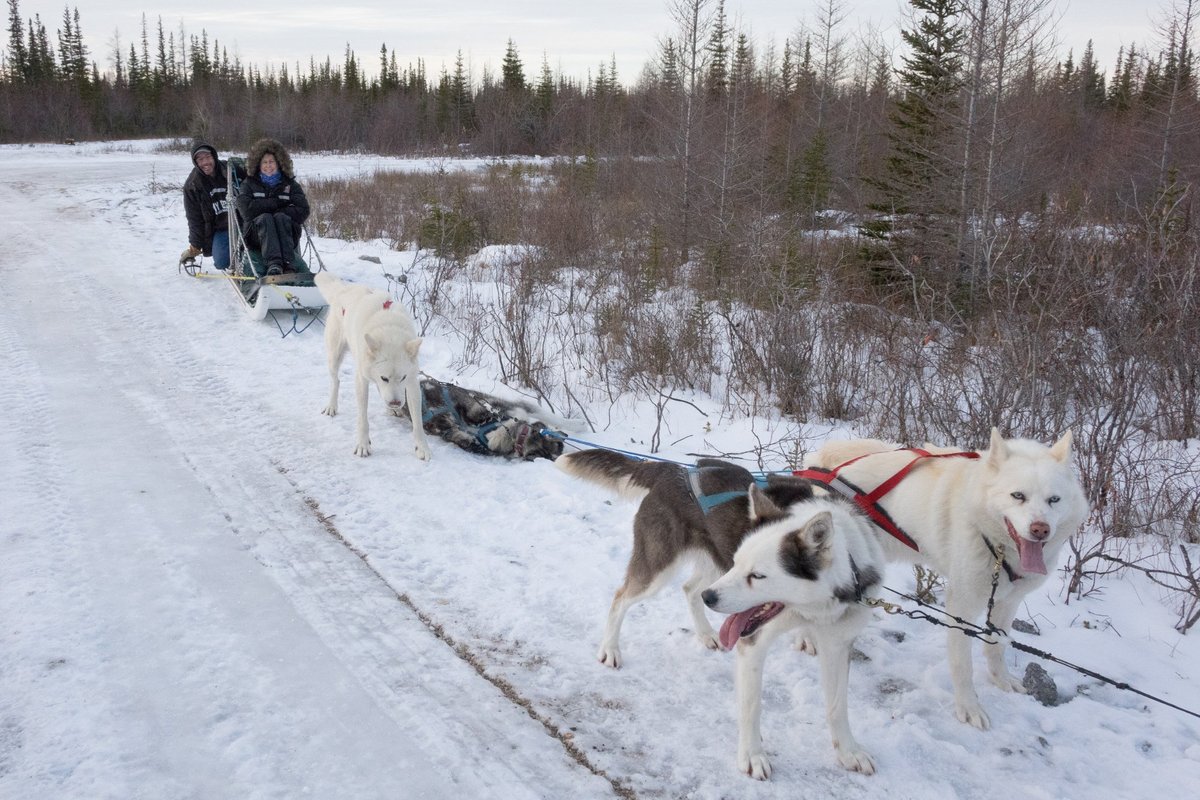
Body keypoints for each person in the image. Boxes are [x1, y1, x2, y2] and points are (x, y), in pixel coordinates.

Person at [235, 137, 310, 276]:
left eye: (271, 162)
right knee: (265, 218)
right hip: (256, 236)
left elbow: (303, 210)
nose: (268, 166)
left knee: (280, 217)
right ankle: (274, 264)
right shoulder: (249, 184)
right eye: (264, 162)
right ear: (258, 164)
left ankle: (288, 265)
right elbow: (246, 211)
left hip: (286, 234)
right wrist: (275, 203)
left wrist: (278, 212)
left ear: (279, 163)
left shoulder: (290, 185)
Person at [181, 141, 231, 269]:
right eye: (200, 159)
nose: (205, 163)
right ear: (196, 162)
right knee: (221, 262)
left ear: (214, 156)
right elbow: (194, 219)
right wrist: (195, 246)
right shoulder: (192, 185)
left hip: (243, 224)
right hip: (220, 229)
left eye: (208, 157)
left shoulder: (230, 169)